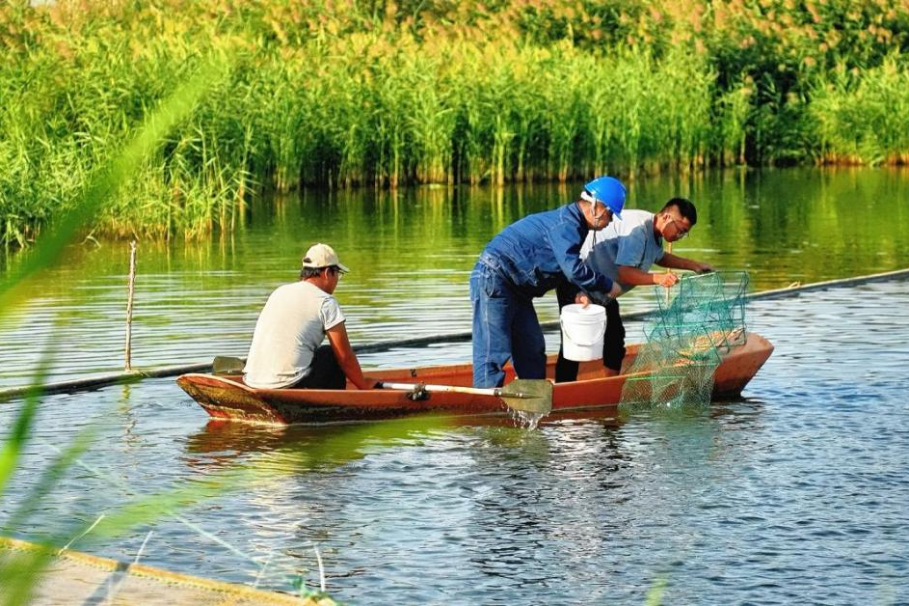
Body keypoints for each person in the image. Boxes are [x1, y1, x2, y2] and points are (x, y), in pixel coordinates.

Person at [470, 176, 626, 388]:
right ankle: (485, 409)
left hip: (518, 291)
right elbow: (573, 269)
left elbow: (564, 268)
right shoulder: (567, 225)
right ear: (596, 207)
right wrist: (607, 285)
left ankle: (533, 402)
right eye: (610, 215)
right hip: (495, 278)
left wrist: (578, 294)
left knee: (532, 348)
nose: (610, 222)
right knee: (493, 351)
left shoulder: (576, 227)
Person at [555, 197, 715, 382]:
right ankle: (562, 389)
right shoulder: (638, 229)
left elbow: (659, 256)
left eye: (684, 234)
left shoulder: (654, 233)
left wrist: (693, 265)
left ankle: (610, 385)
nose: (680, 236)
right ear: (666, 217)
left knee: (614, 339)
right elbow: (626, 273)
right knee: (575, 341)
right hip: (576, 281)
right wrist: (658, 279)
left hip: (602, 290)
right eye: (680, 230)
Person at [243, 243, 376, 390]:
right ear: (327, 273)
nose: (338, 280)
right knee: (331, 355)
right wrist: (364, 385)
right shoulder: (325, 302)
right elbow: (345, 358)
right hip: (287, 386)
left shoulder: (279, 292)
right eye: (337, 274)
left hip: (252, 381)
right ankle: (334, 409)